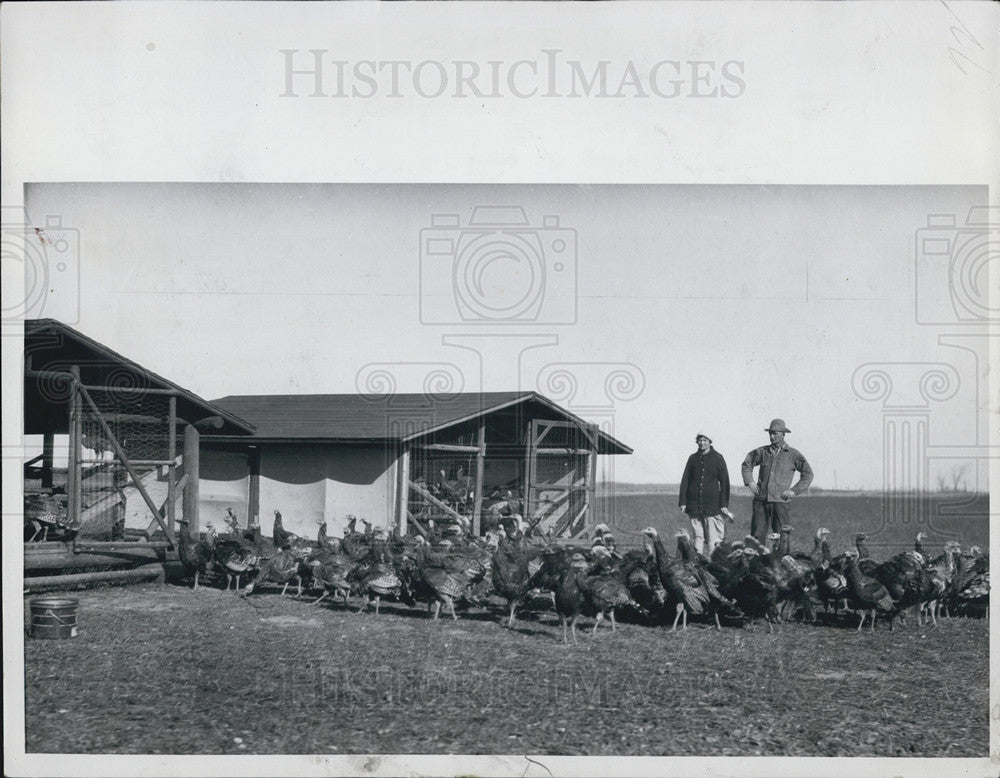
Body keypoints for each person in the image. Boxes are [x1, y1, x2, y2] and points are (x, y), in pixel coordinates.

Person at [741, 418, 814, 544]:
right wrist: (750, 481)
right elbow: (747, 464)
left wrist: (794, 491)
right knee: (756, 537)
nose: (772, 436)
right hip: (761, 500)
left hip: (781, 501)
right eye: (770, 433)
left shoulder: (793, 455)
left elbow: (808, 474)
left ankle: (781, 562)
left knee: (782, 537)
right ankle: (757, 562)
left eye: (775, 433)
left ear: (783, 435)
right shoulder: (762, 452)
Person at [678, 433, 733, 557]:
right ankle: (698, 560)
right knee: (698, 535)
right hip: (694, 504)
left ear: (710, 441)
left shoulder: (718, 458)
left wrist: (724, 504)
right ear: (696, 442)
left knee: (713, 537)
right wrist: (683, 502)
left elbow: (724, 482)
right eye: (700, 440)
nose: (702, 443)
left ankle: (712, 562)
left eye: (705, 440)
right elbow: (685, 480)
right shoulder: (692, 458)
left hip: (711, 505)